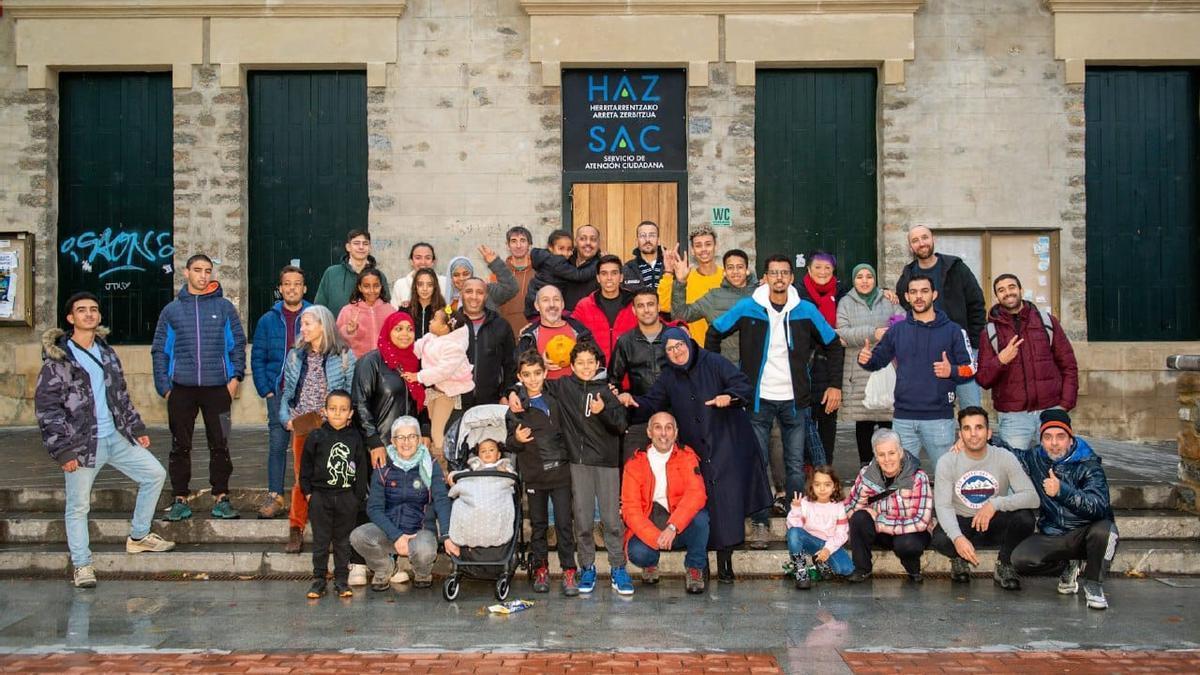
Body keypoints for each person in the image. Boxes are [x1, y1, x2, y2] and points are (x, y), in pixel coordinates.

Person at [36, 292, 176, 589]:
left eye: (94, 310)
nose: (89, 314)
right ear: (70, 318)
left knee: (154, 474)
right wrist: (62, 450)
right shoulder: (59, 360)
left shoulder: (107, 353)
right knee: (77, 506)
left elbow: (120, 394)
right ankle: (82, 565)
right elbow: (47, 409)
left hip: (115, 435)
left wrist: (136, 428)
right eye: (81, 310)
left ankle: (139, 536)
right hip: (82, 444)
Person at [708, 254, 844, 550]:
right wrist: (721, 378)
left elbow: (833, 344)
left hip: (795, 401)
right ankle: (759, 522)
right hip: (758, 400)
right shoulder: (748, 307)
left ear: (791, 278)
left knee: (795, 464)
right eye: (774, 273)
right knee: (758, 461)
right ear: (765, 277)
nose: (779, 278)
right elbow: (714, 332)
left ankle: (795, 519)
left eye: (784, 273)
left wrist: (835, 385)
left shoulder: (805, 310)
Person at [618, 327, 772, 583]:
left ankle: (725, 563)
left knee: (729, 507)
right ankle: (703, 565)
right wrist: (632, 401)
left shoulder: (714, 362)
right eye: (669, 349)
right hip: (699, 451)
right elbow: (651, 403)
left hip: (727, 445)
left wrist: (729, 397)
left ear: (689, 343)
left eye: (679, 345)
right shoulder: (668, 377)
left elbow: (743, 385)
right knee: (707, 507)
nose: (676, 352)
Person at [513, 342, 631, 595]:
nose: (586, 367)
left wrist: (604, 412)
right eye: (580, 363)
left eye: (591, 362)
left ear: (598, 364)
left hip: (607, 463)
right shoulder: (563, 386)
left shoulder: (607, 392)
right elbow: (532, 385)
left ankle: (618, 568)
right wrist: (513, 392)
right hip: (577, 463)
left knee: (611, 520)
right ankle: (586, 566)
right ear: (572, 365)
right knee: (584, 520)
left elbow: (621, 425)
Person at [151, 253, 246, 521]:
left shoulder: (225, 308)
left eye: (207, 271)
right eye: (197, 270)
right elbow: (160, 350)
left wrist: (235, 378)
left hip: (218, 388)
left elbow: (237, 344)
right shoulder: (172, 310)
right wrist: (166, 388)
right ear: (186, 273)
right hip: (181, 388)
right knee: (180, 445)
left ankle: (222, 498)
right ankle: (180, 498)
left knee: (221, 444)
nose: (203, 276)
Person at [858, 273, 975, 470]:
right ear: (907, 296)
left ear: (934, 294)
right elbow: (877, 361)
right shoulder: (897, 330)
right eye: (913, 292)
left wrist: (952, 370)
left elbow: (971, 369)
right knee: (902, 480)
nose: (919, 296)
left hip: (939, 419)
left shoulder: (954, 331)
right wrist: (866, 360)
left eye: (924, 291)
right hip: (903, 419)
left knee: (946, 477)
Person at [1008, 410, 1118, 610]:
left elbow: (1099, 506)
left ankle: (1093, 584)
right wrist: (982, 440)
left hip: (1087, 534)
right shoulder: (1035, 458)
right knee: (1020, 559)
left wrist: (1062, 491)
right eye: (1048, 437)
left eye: (1060, 437)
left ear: (1070, 438)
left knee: (1106, 530)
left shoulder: (1088, 464)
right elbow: (1010, 453)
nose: (1054, 443)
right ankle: (1068, 565)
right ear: (1041, 440)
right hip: (1055, 534)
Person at [931, 407, 1038, 590]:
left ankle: (1004, 564)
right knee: (940, 538)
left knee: (1025, 519)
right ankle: (959, 558)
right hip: (963, 522)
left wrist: (995, 504)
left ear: (988, 433)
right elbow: (942, 505)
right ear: (960, 434)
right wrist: (957, 538)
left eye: (979, 427)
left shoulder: (1004, 457)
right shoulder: (947, 461)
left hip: (993, 522)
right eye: (967, 428)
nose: (973, 434)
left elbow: (1032, 497)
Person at [280, 306, 358, 557]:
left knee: (333, 479)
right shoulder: (296, 355)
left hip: (331, 426)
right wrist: (287, 420)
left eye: (308, 324)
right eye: (302, 324)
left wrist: (340, 415)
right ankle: (296, 528)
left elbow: (350, 391)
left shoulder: (344, 355)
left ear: (323, 325)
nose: (302, 328)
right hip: (303, 424)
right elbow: (288, 392)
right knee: (301, 478)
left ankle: (334, 531)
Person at [975, 273, 1079, 450]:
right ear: (997, 296)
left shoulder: (1047, 322)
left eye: (1011, 287)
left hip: (1051, 410)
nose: (1008, 293)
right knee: (1015, 469)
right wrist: (1000, 360)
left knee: (1057, 468)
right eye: (1001, 290)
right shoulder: (990, 331)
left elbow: (1068, 365)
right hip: (1014, 418)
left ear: (1020, 290)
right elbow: (983, 379)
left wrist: (1064, 405)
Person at [350, 417, 454, 591]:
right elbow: (374, 508)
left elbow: (442, 500)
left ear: (420, 440)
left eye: (412, 436)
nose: (406, 442)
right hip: (390, 532)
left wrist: (446, 534)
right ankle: (385, 568)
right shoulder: (383, 466)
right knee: (358, 536)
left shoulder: (431, 464)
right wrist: (396, 535)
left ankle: (422, 571)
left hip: (420, 532)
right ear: (392, 441)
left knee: (425, 549)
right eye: (401, 437)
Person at [507, 350, 579, 596]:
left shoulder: (555, 396)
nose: (533, 379)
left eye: (537, 373)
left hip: (560, 473)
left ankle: (569, 570)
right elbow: (509, 442)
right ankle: (541, 568)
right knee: (538, 525)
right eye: (527, 375)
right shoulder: (516, 407)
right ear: (520, 377)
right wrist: (516, 439)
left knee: (563, 524)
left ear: (545, 373)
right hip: (535, 474)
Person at [895, 225, 985, 408]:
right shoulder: (908, 275)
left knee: (970, 405)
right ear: (910, 247)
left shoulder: (956, 268)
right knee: (936, 408)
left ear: (932, 239)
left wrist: (974, 343)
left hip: (961, 351)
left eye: (924, 237)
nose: (921, 243)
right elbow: (904, 307)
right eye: (915, 240)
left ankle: (975, 437)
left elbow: (977, 304)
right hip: (927, 353)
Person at [621, 412, 709, 594]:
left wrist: (673, 527)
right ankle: (650, 564)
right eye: (658, 427)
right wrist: (655, 537)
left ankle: (694, 568)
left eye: (668, 428)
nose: (663, 433)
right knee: (637, 552)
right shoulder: (635, 464)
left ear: (675, 433)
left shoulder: (687, 456)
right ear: (649, 432)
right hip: (651, 523)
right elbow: (631, 510)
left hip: (678, 524)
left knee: (701, 519)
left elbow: (697, 493)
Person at [250, 265, 311, 519]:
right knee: (277, 445)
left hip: (309, 395)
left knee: (308, 448)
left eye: (297, 283)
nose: (292, 288)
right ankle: (275, 495)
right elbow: (258, 357)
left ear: (304, 288)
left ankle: (306, 497)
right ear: (281, 288)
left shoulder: (315, 316)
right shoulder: (268, 320)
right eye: (287, 283)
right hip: (279, 392)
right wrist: (266, 390)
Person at [300, 390, 370, 599]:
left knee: (342, 541)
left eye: (343, 410)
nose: (337, 413)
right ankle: (319, 580)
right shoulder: (316, 436)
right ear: (324, 411)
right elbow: (306, 467)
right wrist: (309, 493)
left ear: (350, 413)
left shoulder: (355, 438)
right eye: (333, 409)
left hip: (346, 497)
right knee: (321, 541)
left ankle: (341, 580)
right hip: (320, 497)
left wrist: (356, 498)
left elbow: (361, 469)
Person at [845, 428, 933, 583]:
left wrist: (879, 520)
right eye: (881, 455)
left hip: (910, 532)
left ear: (900, 452)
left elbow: (921, 521)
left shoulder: (918, 477)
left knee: (906, 544)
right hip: (883, 534)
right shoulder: (867, 474)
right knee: (859, 518)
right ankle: (862, 569)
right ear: (876, 457)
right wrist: (864, 491)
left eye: (891, 453)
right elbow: (850, 508)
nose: (887, 459)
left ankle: (913, 569)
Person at [836, 263, 903, 466]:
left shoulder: (888, 299)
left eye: (869, 277)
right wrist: (873, 333)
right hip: (858, 368)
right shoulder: (846, 302)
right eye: (859, 277)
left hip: (886, 366)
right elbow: (842, 332)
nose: (864, 281)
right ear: (853, 280)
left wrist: (890, 332)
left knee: (887, 418)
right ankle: (866, 465)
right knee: (863, 421)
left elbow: (903, 321)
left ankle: (889, 465)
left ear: (875, 280)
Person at [352, 311, 428, 472]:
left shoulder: (415, 363)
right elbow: (359, 403)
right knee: (378, 494)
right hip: (379, 447)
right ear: (388, 331)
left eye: (410, 329)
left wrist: (426, 430)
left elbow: (421, 402)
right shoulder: (371, 362)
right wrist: (374, 441)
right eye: (398, 329)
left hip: (409, 448)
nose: (405, 334)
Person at [609, 288, 670, 463]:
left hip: (674, 415)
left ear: (659, 307)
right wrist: (622, 416)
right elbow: (613, 381)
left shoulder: (674, 337)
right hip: (639, 417)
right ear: (634, 310)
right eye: (641, 306)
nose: (646, 310)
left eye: (651, 304)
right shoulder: (626, 341)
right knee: (633, 472)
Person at [796, 251, 846, 460]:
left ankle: (825, 473)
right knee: (801, 423)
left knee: (827, 421)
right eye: (817, 267)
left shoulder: (843, 292)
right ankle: (808, 474)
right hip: (803, 365)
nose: (822, 272)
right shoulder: (795, 292)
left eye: (827, 268)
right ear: (808, 269)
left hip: (830, 364)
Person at [408, 310, 474, 464]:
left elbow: (443, 371)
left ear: (445, 328)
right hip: (435, 390)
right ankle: (433, 465)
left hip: (449, 392)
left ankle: (443, 470)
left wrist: (418, 376)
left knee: (438, 433)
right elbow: (416, 349)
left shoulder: (454, 347)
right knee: (431, 428)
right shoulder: (431, 338)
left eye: (435, 319)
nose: (430, 321)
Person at [673, 248, 756, 363]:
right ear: (724, 272)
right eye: (730, 267)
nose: (735, 272)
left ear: (747, 270)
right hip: (725, 366)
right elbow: (681, 315)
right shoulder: (713, 297)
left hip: (756, 366)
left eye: (740, 267)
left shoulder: (760, 295)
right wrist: (680, 283)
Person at [785, 466, 852, 590]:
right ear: (811, 486)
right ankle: (800, 570)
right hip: (809, 541)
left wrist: (827, 549)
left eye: (827, 484)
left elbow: (842, 534)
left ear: (835, 486)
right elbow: (794, 527)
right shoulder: (805, 503)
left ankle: (820, 561)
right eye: (817, 484)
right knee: (793, 533)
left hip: (828, 544)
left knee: (846, 569)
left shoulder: (839, 507)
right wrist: (796, 509)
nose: (822, 489)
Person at [455, 277, 517, 408]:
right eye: (469, 291)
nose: (474, 296)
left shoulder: (501, 325)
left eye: (479, 292)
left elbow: (511, 365)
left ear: (486, 296)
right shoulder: (450, 324)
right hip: (455, 403)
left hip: (492, 402)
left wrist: (506, 394)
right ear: (461, 293)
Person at [445, 439, 517, 549]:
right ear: (478, 455)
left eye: (491, 450)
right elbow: (463, 475)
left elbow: (513, 479)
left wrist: (506, 472)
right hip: (475, 499)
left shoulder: (503, 466)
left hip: (497, 502)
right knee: (462, 500)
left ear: (498, 455)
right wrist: (453, 476)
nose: (487, 453)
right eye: (483, 451)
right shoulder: (474, 468)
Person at [515, 284, 594, 382]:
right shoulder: (529, 337)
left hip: (578, 394)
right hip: (544, 395)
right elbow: (516, 370)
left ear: (562, 304)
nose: (552, 304)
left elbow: (597, 361)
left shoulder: (580, 331)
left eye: (556, 299)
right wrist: (539, 364)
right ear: (537, 306)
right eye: (545, 300)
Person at [570, 254, 639, 364]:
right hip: (594, 374)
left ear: (621, 277)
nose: (609, 278)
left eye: (614, 273)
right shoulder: (584, 306)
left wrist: (676, 327)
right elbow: (568, 334)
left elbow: (655, 325)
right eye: (604, 273)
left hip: (628, 374)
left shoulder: (635, 303)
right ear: (598, 278)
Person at [659, 227, 723, 343]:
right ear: (693, 250)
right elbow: (664, 306)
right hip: (695, 349)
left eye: (708, 244)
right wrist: (668, 271)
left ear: (716, 247)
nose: (703, 249)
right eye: (698, 245)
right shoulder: (685, 277)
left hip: (724, 350)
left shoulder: (727, 277)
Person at [524, 226, 601, 318]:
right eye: (583, 238)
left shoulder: (604, 269)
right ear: (576, 242)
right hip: (540, 310)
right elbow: (578, 275)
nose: (588, 243)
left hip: (582, 323)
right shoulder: (559, 262)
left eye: (593, 239)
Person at [314, 229, 389, 318]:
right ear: (348, 247)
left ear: (370, 248)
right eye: (356, 243)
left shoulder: (379, 276)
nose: (361, 247)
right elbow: (319, 309)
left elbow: (386, 308)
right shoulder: (331, 274)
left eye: (365, 243)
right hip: (336, 331)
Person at [336, 269, 395, 359]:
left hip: (384, 364)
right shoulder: (348, 311)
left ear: (381, 287)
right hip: (357, 364)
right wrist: (348, 331)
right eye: (366, 286)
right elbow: (337, 339)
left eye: (376, 286)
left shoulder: (390, 311)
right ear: (360, 288)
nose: (372, 290)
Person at [443, 246, 518, 313]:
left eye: (466, 274)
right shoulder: (448, 303)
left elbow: (511, 288)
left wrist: (495, 263)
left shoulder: (487, 291)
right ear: (451, 278)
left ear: (472, 274)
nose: (461, 278)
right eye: (456, 275)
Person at [494, 226, 536, 338]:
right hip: (505, 334)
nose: (518, 245)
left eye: (523, 241)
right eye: (513, 241)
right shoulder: (498, 272)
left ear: (529, 245)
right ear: (507, 246)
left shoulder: (539, 272)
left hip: (532, 333)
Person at [392, 242, 448, 307]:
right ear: (411, 261)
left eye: (427, 258)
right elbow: (395, 313)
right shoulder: (400, 284)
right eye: (418, 258)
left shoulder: (444, 282)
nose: (423, 262)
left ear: (433, 262)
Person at [622, 220, 665, 291]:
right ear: (637, 241)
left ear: (658, 240)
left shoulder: (671, 266)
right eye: (642, 235)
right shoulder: (627, 269)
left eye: (652, 235)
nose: (647, 239)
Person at [406, 267, 447, 339]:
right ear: (415, 286)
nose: (425, 289)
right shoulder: (405, 309)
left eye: (430, 285)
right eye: (420, 284)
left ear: (435, 287)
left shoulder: (443, 310)